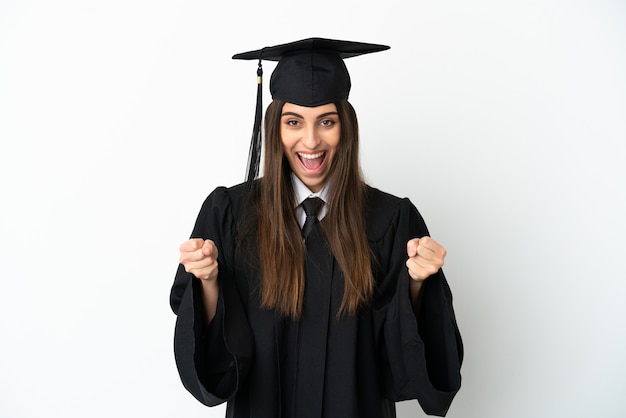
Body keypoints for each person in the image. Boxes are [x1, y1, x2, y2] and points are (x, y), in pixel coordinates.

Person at [170, 37, 463, 418]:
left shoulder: (391, 219)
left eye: (327, 121)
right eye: (294, 122)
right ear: (275, 126)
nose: (311, 141)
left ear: (346, 127)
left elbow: (398, 360)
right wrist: (208, 282)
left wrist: (418, 284)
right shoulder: (230, 213)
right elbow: (216, 357)